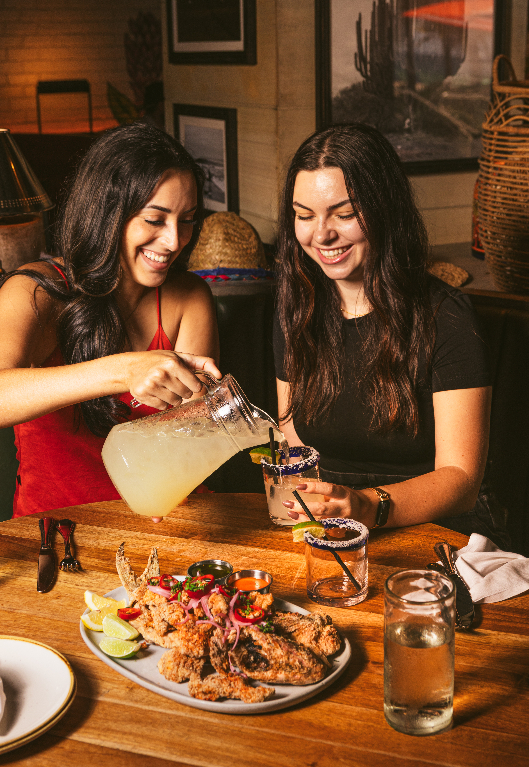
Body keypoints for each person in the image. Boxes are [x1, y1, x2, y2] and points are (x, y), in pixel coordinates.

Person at [274, 123, 509, 548]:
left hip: (439, 529)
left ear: (385, 210)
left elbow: (462, 480)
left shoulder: (447, 318)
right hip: (334, 528)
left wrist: (366, 506)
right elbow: (295, 450)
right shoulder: (296, 310)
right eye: (304, 215)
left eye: (344, 214)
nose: (321, 234)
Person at [0, 122, 220, 521]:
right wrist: (124, 371)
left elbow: (191, 437)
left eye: (186, 219)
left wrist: (177, 474)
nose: (174, 240)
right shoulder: (37, 291)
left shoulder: (190, 297)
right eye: (155, 219)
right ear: (107, 213)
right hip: (58, 535)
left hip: (164, 523)